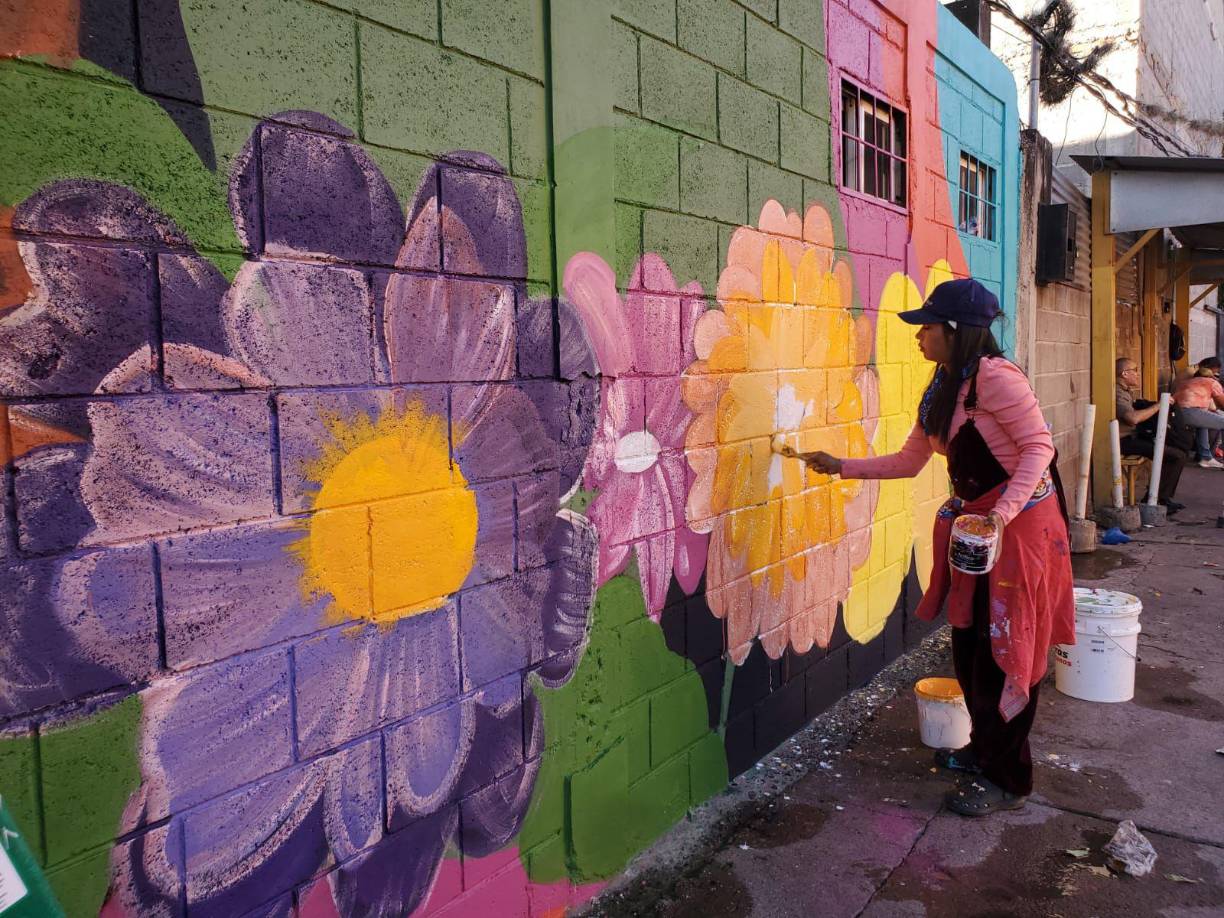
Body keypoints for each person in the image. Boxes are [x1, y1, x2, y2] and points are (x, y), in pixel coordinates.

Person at [802, 278, 1075, 818]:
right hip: (977, 530)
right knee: (970, 646)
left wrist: (999, 516)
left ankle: (1008, 779)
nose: (919, 336)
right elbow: (909, 460)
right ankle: (983, 750)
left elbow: (1039, 448)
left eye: (927, 327)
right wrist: (842, 466)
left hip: (1019, 533)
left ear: (955, 331)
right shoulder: (944, 384)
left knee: (1006, 650)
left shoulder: (996, 379)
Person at [1115, 358, 1187, 510]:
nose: (1138, 374)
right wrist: (1158, 406)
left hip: (1131, 437)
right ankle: (1156, 500)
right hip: (1122, 441)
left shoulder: (1125, 390)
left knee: (1177, 451)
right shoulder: (1117, 392)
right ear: (1124, 374)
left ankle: (1160, 497)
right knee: (1175, 455)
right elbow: (1132, 418)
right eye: (1135, 370)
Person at [1172, 356, 1224, 468]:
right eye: (1217, 374)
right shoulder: (1211, 382)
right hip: (1190, 412)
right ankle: (1206, 456)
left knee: (1203, 423)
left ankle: (1205, 457)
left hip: (1176, 414)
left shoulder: (1188, 381)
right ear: (1212, 374)